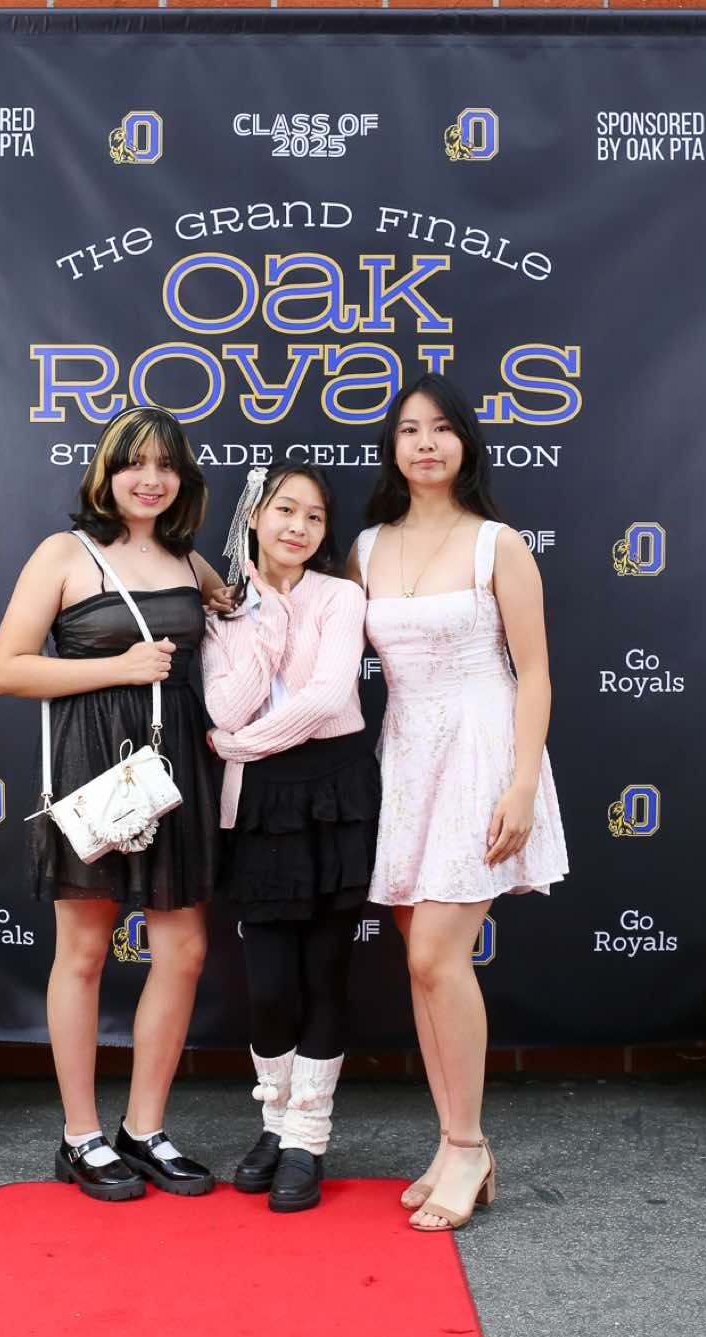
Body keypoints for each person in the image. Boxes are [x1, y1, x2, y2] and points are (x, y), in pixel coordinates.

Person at [0, 406, 232, 1201]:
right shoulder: (65, 553)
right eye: (135, 463)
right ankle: (81, 1136)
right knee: (85, 952)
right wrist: (120, 667)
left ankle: (145, 1128)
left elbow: (236, 613)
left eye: (166, 465)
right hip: (93, 766)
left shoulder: (188, 559)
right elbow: (7, 669)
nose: (150, 479)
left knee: (183, 950)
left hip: (175, 765)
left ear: (183, 478)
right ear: (107, 471)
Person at [350, 374, 570, 1231]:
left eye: (442, 428)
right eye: (410, 430)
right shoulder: (367, 547)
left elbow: (535, 672)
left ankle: (470, 1142)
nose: (426, 443)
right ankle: (451, 1142)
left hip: (483, 752)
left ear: (466, 443)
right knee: (421, 961)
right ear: (393, 448)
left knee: (439, 954)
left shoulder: (498, 545)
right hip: (407, 757)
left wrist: (523, 781)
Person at [201, 463, 379, 1213]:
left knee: (324, 973)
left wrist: (237, 746)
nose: (298, 527)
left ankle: (308, 1138)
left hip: (334, 790)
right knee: (269, 984)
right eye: (284, 510)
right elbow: (225, 704)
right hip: (259, 805)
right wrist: (265, 624)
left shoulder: (341, 596)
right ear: (255, 517)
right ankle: (274, 1123)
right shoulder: (222, 611)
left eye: (313, 516)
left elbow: (329, 696)